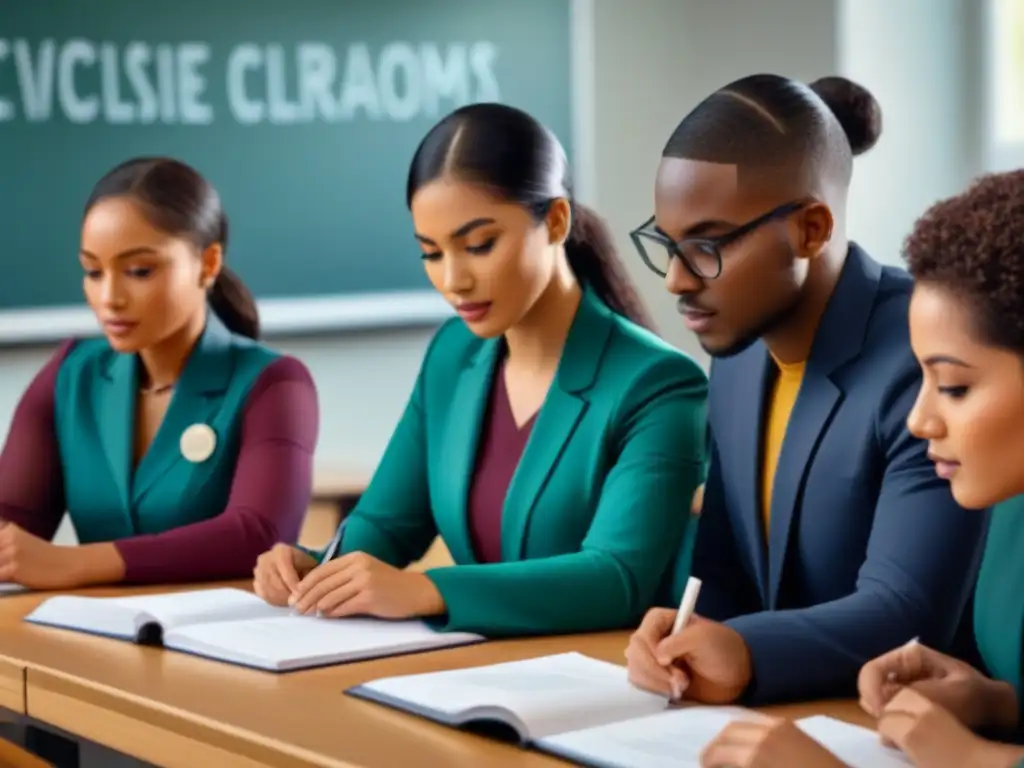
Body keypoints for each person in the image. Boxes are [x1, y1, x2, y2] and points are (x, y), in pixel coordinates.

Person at [253, 103, 708, 636]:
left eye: (479, 245)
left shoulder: (658, 386)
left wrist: (428, 589)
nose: (454, 280)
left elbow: (616, 577)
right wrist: (315, 566)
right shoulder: (453, 355)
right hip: (471, 670)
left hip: (600, 681)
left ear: (556, 221)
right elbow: (386, 523)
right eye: (431, 253)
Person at [624, 74, 986, 709]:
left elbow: (906, 608)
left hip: (905, 727)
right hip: (773, 719)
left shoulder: (925, 360)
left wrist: (746, 650)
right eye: (668, 244)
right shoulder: (736, 353)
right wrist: (680, 632)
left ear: (812, 230)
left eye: (706, 246)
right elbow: (726, 572)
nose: (677, 280)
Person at [698, 172, 1024, 768]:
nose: (920, 420)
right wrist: (997, 704)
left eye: (953, 386)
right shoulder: (1007, 507)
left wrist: (976, 760)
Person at [0, 157, 319, 588]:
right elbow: (13, 522)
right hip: (88, 640)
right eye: (93, 271)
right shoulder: (71, 373)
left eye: (139, 271)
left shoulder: (275, 383)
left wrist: (76, 564)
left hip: (215, 644)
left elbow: (261, 537)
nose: (109, 297)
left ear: (207, 265)